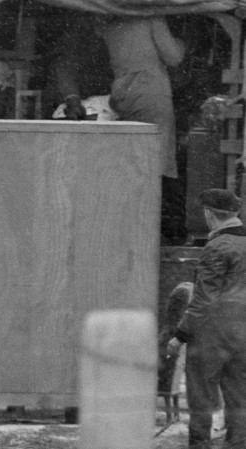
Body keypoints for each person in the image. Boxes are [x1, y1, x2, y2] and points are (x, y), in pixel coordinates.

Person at [167, 188, 246, 448]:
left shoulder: (217, 247)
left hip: (212, 334)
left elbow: (203, 300)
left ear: (210, 215)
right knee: (239, 398)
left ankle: (199, 445)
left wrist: (180, 336)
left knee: (201, 397)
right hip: (243, 333)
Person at [98, 16, 185, 179]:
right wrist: (182, 43)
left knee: (133, 153)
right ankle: (152, 200)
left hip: (122, 90)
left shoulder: (112, 20)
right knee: (157, 155)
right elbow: (174, 57)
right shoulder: (152, 17)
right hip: (149, 90)